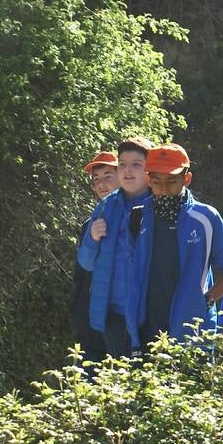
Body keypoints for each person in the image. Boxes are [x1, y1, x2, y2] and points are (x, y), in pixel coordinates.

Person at [135, 144, 223, 348]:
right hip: (145, 331)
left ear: (187, 179)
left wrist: (205, 302)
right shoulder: (137, 217)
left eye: (171, 181)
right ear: (148, 180)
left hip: (194, 334)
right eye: (156, 182)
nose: (163, 189)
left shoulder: (206, 217)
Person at [79, 137, 156, 355]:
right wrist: (92, 238)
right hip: (113, 314)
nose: (128, 170)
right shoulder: (106, 206)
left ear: (148, 169)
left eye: (136, 165)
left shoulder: (161, 205)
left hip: (149, 313)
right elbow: (86, 263)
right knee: (117, 381)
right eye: (122, 164)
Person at [73, 152, 118, 363]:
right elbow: (81, 275)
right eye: (96, 179)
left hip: (120, 321)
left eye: (108, 176)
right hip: (90, 325)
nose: (101, 184)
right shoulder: (89, 224)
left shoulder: (140, 218)